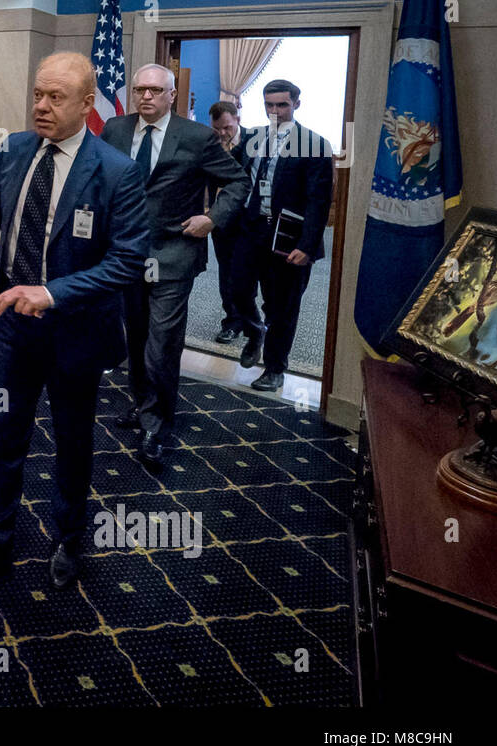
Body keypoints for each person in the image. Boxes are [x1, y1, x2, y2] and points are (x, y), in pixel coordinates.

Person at [0, 52, 149, 598]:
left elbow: (127, 262)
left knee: (71, 442)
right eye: (37, 94)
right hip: (12, 331)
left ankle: (69, 540)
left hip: (75, 335)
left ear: (86, 104)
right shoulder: (12, 151)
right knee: (1, 437)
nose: (41, 107)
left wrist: (52, 293)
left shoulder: (117, 171)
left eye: (56, 98)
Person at [100, 65, 249, 468]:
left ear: (171, 93)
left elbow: (237, 182)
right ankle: (142, 404)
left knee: (161, 343)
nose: (146, 96)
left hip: (174, 254)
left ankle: (156, 424)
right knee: (135, 337)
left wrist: (212, 218)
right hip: (126, 254)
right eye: (140, 89)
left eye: (155, 90)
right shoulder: (115, 129)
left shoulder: (197, 136)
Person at [230, 79, 333, 392]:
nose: (274, 111)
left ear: (296, 104)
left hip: (288, 240)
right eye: (269, 105)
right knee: (236, 290)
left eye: (281, 105)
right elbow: (236, 175)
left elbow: (319, 200)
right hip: (251, 230)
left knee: (282, 308)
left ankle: (275, 368)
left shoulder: (314, 144)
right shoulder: (252, 138)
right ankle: (254, 330)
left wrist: (307, 244)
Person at [208, 101, 253, 343]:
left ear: (237, 118)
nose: (223, 133)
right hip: (222, 220)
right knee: (227, 273)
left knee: (249, 272)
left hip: (250, 220)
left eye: (227, 127)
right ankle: (232, 321)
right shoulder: (209, 143)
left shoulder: (256, 141)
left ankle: (253, 320)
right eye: (217, 129)